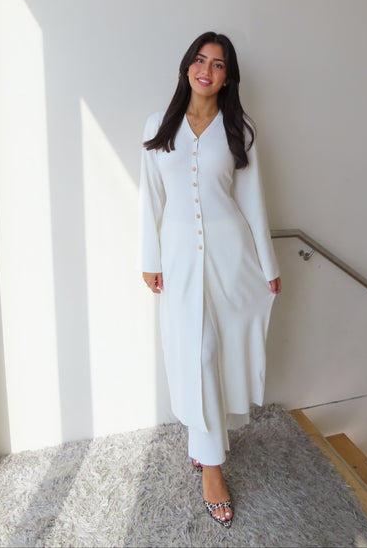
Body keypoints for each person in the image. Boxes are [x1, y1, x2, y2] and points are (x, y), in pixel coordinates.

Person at [138, 31, 281, 528]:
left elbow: (253, 202)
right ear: (187, 67)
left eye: (218, 64)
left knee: (219, 354)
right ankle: (211, 465)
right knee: (194, 353)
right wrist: (149, 258)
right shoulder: (159, 124)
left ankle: (207, 451)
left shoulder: (241, 129)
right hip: (179, 259)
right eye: (200, 60)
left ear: (227, 77)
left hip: (230, 256)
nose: (206, 69)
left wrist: (268, 265)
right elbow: (150, 198)